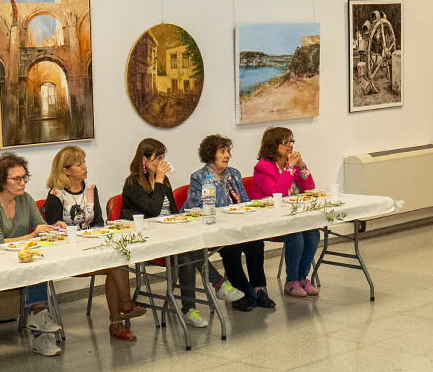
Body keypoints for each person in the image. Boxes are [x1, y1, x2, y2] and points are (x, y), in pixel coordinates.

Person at [0, 153, 63, 358]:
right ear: (1, 180)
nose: (22, 183)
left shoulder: (25, 199)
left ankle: (40, 323)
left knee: (36, 266)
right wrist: (31, 235)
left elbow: (39, 227)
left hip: (15, 258)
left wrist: (55, 228)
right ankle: (40, 326)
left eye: (24, 177)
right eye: (16, 179)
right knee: (32, 268)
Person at [42, 145, 138, 341]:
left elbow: (98, 221)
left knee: (117, 260)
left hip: (92, 246)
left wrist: (96, 235)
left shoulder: (91, 190)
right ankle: (123, 309)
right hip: (69, 252)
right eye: (79, 164)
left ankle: (120, 316)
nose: (85, 167)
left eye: (84, 162)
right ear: (66, 170)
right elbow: (54, 230)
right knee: (115, 264)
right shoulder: (56, 195)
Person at [121, 138, 206, 329]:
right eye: (156, 159)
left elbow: (172, 211)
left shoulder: (164, 181)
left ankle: (192, 306)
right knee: (186, 254)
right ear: (144, 160)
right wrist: (158, 181)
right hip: (149, 241)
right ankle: (196, 302)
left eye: (162, 157)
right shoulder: (132, 183)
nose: (161, 163)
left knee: (189, 249)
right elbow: (153, 210)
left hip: (170, 234)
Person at [188, 134, 270, 312]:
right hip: (218, 231)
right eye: (222, 152)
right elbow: (191, 208)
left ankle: (259, 289)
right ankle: (242, 292)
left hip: (239, 226)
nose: (227, 156)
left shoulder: (234, 174)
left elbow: (246, 202)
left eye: (228, 152)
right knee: (231, 249)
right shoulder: (199, 178)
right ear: (211, 154)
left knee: (256, 243)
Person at [249, 126, 321, 298]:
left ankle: (302, 278)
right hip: (270, 219)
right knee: (296, 236)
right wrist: (290, 168)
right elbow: (276, 194)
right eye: (285, 142)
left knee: (312, 233)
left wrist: (302, 166)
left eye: (291, 141)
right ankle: (291, 281)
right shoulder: (262, 168)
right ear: (273, 145)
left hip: (292, 217)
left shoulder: (293, 166)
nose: (290, 145)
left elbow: (309, 188)